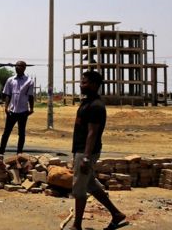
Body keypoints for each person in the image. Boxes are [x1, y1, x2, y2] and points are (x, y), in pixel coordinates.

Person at [70, 71, 127, 230]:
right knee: (90, 184)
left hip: (86, 151)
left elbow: (92, 132)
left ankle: (77, 225)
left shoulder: (96, 106)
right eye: (81, 82)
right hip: (81, 150)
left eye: (85, 82)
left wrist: (86, 158)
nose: (81, 85)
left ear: (94, 85)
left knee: (79, 188)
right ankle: (116, 214)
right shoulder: (87, 102)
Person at [0, 61, 35, 155]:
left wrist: (31, 108)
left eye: (18, 66)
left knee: (21, 133)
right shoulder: (10, 80)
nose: (16, 67)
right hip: (12, 111)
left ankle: (19, 153)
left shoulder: (29, 81)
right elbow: (8, 95)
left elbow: (30, 96)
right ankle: (1, 152)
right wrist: (6, 107)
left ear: (24, 68)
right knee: (6, 132)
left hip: (23, 111)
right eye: (15, 66)